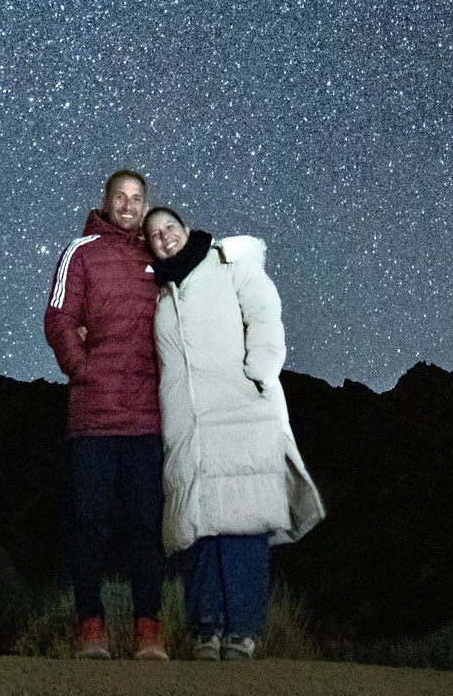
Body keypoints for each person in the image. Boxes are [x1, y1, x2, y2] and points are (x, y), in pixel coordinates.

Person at [143, 205, 325, 661]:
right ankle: (206, 630)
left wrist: (260, 370)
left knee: (242, 524)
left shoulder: (227, 262)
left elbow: (264, 312)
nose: (164, 237)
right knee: (199, 527)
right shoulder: (163, 293)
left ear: (185, 228)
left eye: (169, 227)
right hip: (189, 426)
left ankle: (242, 632)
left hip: (240, 410)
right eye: (154, 234)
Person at [44, 168, 168, 660]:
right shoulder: (82, 252)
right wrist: (83, 370)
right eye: (120, 196)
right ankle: (91, 628)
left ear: (145, 205)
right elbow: (58, 317)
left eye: (137, 198)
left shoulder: (156, 256)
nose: (128, 204)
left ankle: (148, 631)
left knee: (146, 525)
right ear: (107, 200)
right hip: (95, 416)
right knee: (89, 523)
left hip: (147, 418)